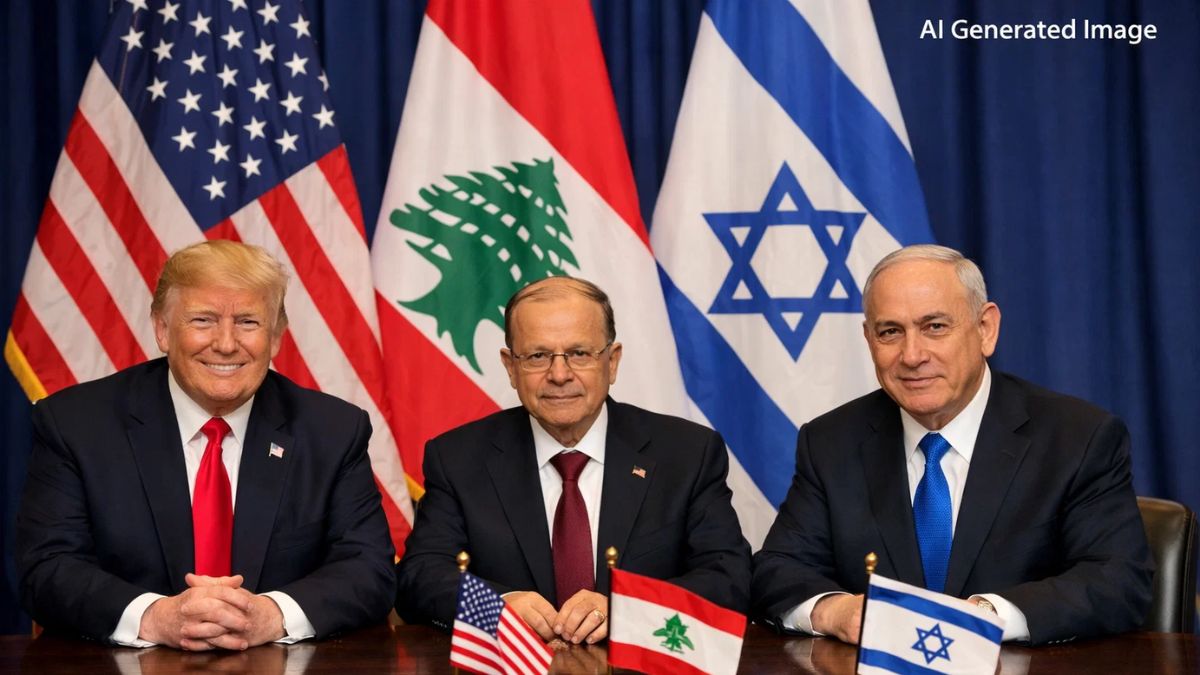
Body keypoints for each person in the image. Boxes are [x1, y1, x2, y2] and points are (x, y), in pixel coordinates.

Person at [751, 244, 1153, 645]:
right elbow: (777, 570)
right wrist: (837, 612)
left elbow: (1117, 581)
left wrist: (985, 617)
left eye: (935, 327)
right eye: (890, 332)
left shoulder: (1077, 437)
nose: (912, 355)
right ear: (869, 339)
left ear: (985, 329)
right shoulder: (832, 442)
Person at [16, 240, 395, 650]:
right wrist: (154, 617)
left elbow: (369, 569)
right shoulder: (77, 425)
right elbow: (46, 568)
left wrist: (273, 615)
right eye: (203, 320)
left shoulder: (332, 431)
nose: (226, 344)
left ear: (276, 337)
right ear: (163, 330)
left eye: (248, 322)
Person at [395, 277, 750, 645]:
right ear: (511, 367)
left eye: (579, 353)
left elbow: (728, 577)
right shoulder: (458, 458)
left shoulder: (686, 453)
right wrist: (493, 607)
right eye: (537, 356)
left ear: (612, 362)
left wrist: (629, 611)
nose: (560, 375)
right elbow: (419, 576)